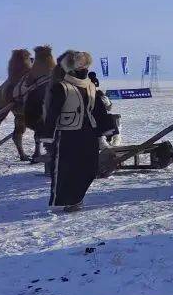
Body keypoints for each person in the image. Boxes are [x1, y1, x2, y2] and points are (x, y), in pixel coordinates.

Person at [43, 51, 117, 212]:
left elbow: (99, 110)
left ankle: (77, 197)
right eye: (81, 65)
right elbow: (52, 112)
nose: (84, 68)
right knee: (66, 168)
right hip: (68, 133)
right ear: (72, 67)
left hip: (88, 132)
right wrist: (47, 134)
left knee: (89, 167)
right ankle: (69, 200)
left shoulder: (90, 86)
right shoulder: (61, 87)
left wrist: (107, 128)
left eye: (86, 65)